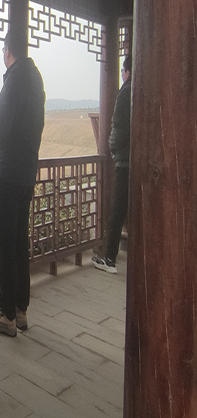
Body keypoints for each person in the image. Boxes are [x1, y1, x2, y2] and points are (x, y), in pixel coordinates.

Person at [0, 28, 45, 337]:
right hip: (27, 171)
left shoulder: (14, 80)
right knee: (20, 240)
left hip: (9, 173)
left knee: (6, 243)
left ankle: (6, 314)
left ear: (7, 51)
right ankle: (21, 308)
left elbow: (3, 128)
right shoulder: (35, 78)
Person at [92, 53, 132, 274]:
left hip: (125, 162)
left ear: (126, 71)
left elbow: (118, 128)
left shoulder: (126, 92)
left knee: (117, 209)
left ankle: (109, 258)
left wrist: (112, 148)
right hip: (135, 161)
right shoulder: (140, 89)